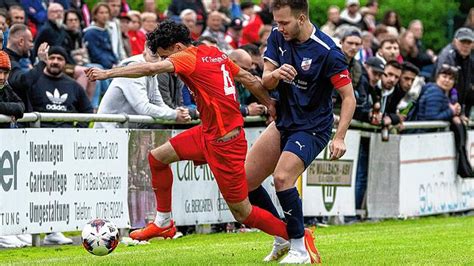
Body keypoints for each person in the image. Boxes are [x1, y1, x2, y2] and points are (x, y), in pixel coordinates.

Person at [85, 20, 303, 259]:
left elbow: (148, 70)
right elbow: (249, 80)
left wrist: (107, 73)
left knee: (243, 213)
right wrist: (270, 104)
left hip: (225, 143)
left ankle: (294, 238)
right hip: (207, 133)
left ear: (177, 46)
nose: (164, 62)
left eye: (165, 56)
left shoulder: (186, 57)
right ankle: (163, 221)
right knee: (157, 157)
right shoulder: (213, 52)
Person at [244, 0, 356, 263]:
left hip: (313, 127)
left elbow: (348, 97)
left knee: (282, 178)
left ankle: (299, 247)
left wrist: (339, 137)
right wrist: (277, 74)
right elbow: (265, 80)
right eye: (277, 22)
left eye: (284, 22)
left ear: (302, 19)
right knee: (246, 181)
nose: (279, 27)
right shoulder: (276, 36)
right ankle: (282, 236)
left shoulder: (328, 51)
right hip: (284, 121)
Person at [94, 44, 191, 129]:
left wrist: (177, 113)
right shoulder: (132, 68)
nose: (158, 61)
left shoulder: (152, 69)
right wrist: (174, 115)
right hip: (108, 134)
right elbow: (143, 108)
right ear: (145, 51)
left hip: (126, 130)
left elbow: (158, 103)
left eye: (161, 57)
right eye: (154, 55)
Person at [28, 46, 93, 128]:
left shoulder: (74, 86)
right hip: (39, 134)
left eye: (60, 59)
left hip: (66, 135)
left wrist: (77, 130)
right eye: (52, 58)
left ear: (65, 62)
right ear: (46, 60)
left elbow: (87, 110)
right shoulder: (34, 82)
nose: (55, 61)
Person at [435, 27, 473, 118]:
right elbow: (442, 85)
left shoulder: (468, 59)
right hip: (442, 105)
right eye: (463, 42)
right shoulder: (447, 56)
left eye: (469, 43)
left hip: (457, 106)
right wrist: (452, 109)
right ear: (455, 41)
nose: (466, 46)